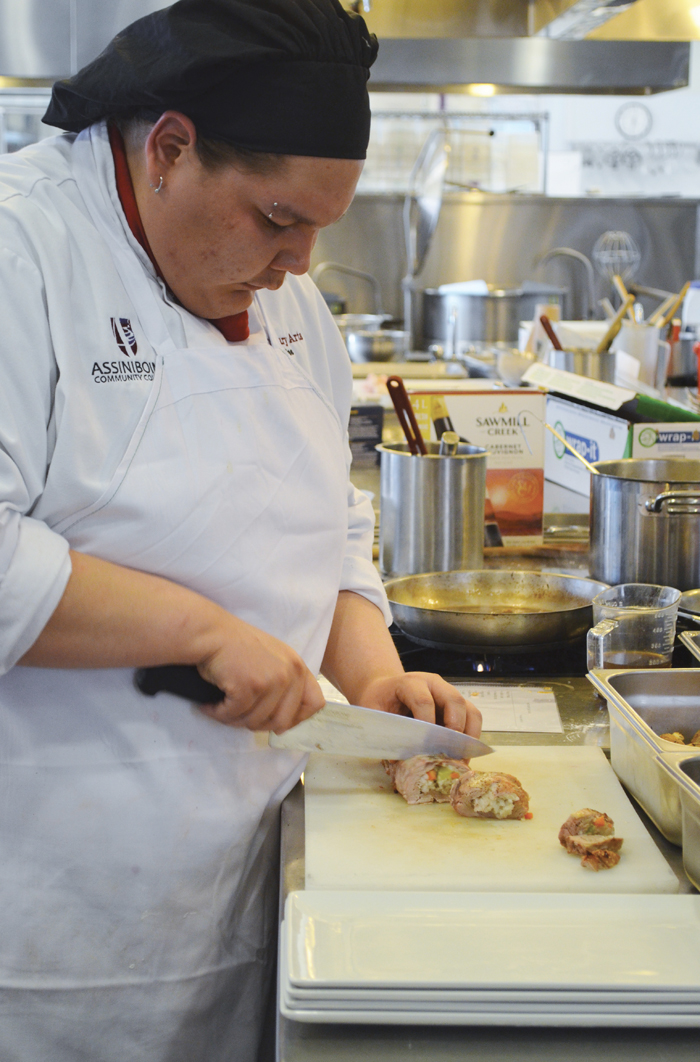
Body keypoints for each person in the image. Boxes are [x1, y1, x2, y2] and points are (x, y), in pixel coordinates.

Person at [0, 1, 481, 1058]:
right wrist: (205, 632)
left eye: (320, 228)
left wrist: (373, 674)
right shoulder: (22, 249)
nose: (300, 264)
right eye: (275, 220)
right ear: (169, 148)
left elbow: (325, 525)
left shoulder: (289, 304)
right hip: (49, 920)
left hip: (250, 876)